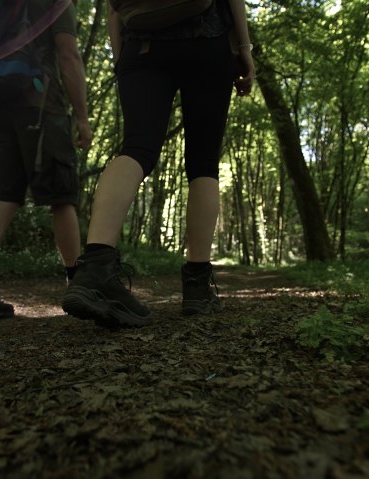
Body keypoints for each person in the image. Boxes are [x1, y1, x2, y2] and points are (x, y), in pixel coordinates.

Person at [62, 0, 255, 328]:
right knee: (203, 163)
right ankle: (197, 286)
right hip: (206, 40)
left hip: (141, 46)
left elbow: (112, 8)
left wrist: (121, 57)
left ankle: (95, 267)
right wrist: (244, 48)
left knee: (135, 149)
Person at [0, 0, 92, 320]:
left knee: (3, 195)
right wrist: (83, 118)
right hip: (42, 105)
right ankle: (79, 286)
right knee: (61, 195)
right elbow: (68, 54)